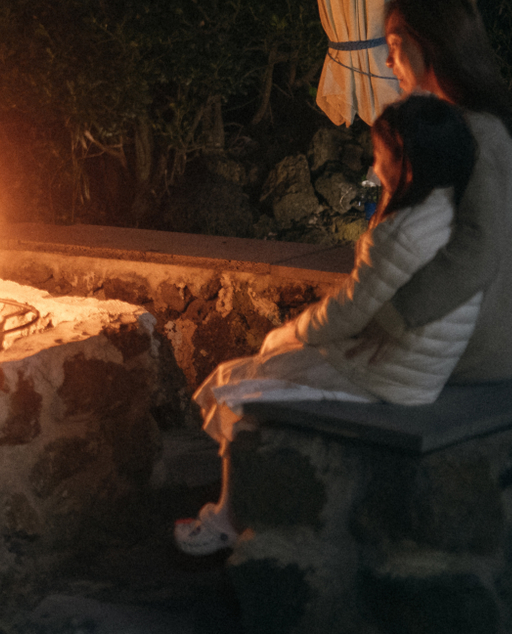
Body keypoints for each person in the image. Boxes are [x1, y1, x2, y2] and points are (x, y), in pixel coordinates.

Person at [173, 94, 481, 555]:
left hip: (386, 374)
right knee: (246, 376)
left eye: (381, 156)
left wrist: (289, 333)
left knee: (236, 385)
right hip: (416, 364)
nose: (374, 168)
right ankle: (232, 503)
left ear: (407, 163)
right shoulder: (450, 210)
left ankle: (226, 523)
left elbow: (349, 311)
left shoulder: (402, 232)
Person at [369, 0, 512, 383]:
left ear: (430, 44)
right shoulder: (473, 128)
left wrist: (390, 318)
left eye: (395, 45)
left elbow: (476, 249)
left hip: (469, 348)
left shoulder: (476, 135)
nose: (388, 62)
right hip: (480, 342)